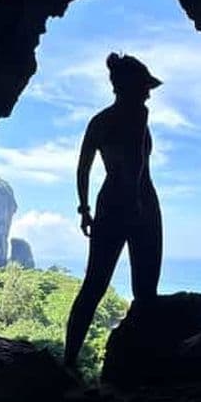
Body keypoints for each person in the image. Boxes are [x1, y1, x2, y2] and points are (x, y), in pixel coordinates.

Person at [63, 52, 163, 369]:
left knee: (95, 284)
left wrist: (84, 208)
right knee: (143, 290)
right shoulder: (137, 115)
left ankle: (69, 362)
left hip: (112, 203)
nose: (149, 94)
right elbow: (134, 162)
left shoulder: (100, 121)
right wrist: (134, 201)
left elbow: (82, 169)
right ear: (131, 87)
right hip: (139, 202)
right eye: (145, 87)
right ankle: (138, 367)